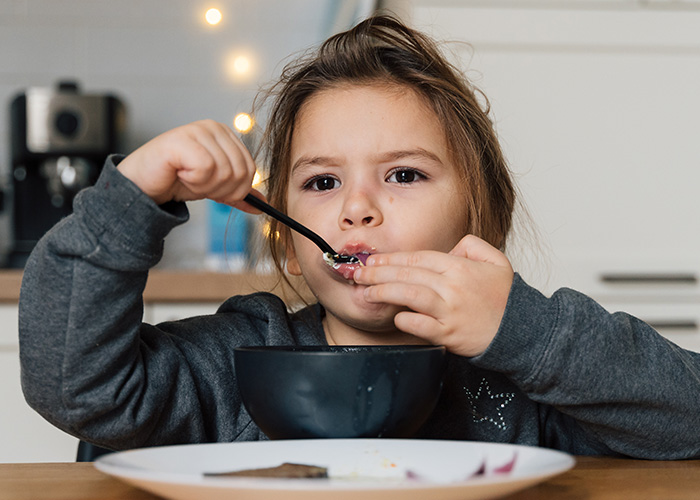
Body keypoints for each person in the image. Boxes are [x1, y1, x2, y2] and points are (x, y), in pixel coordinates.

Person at [18, 14, 700, 460]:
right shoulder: (234, 362)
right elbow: (76, 385)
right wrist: (131, 196)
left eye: (403, 174)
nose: (358, 209)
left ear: (477, 220)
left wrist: (527, 330)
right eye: (321, 183)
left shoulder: (525, 374)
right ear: (285, 240)